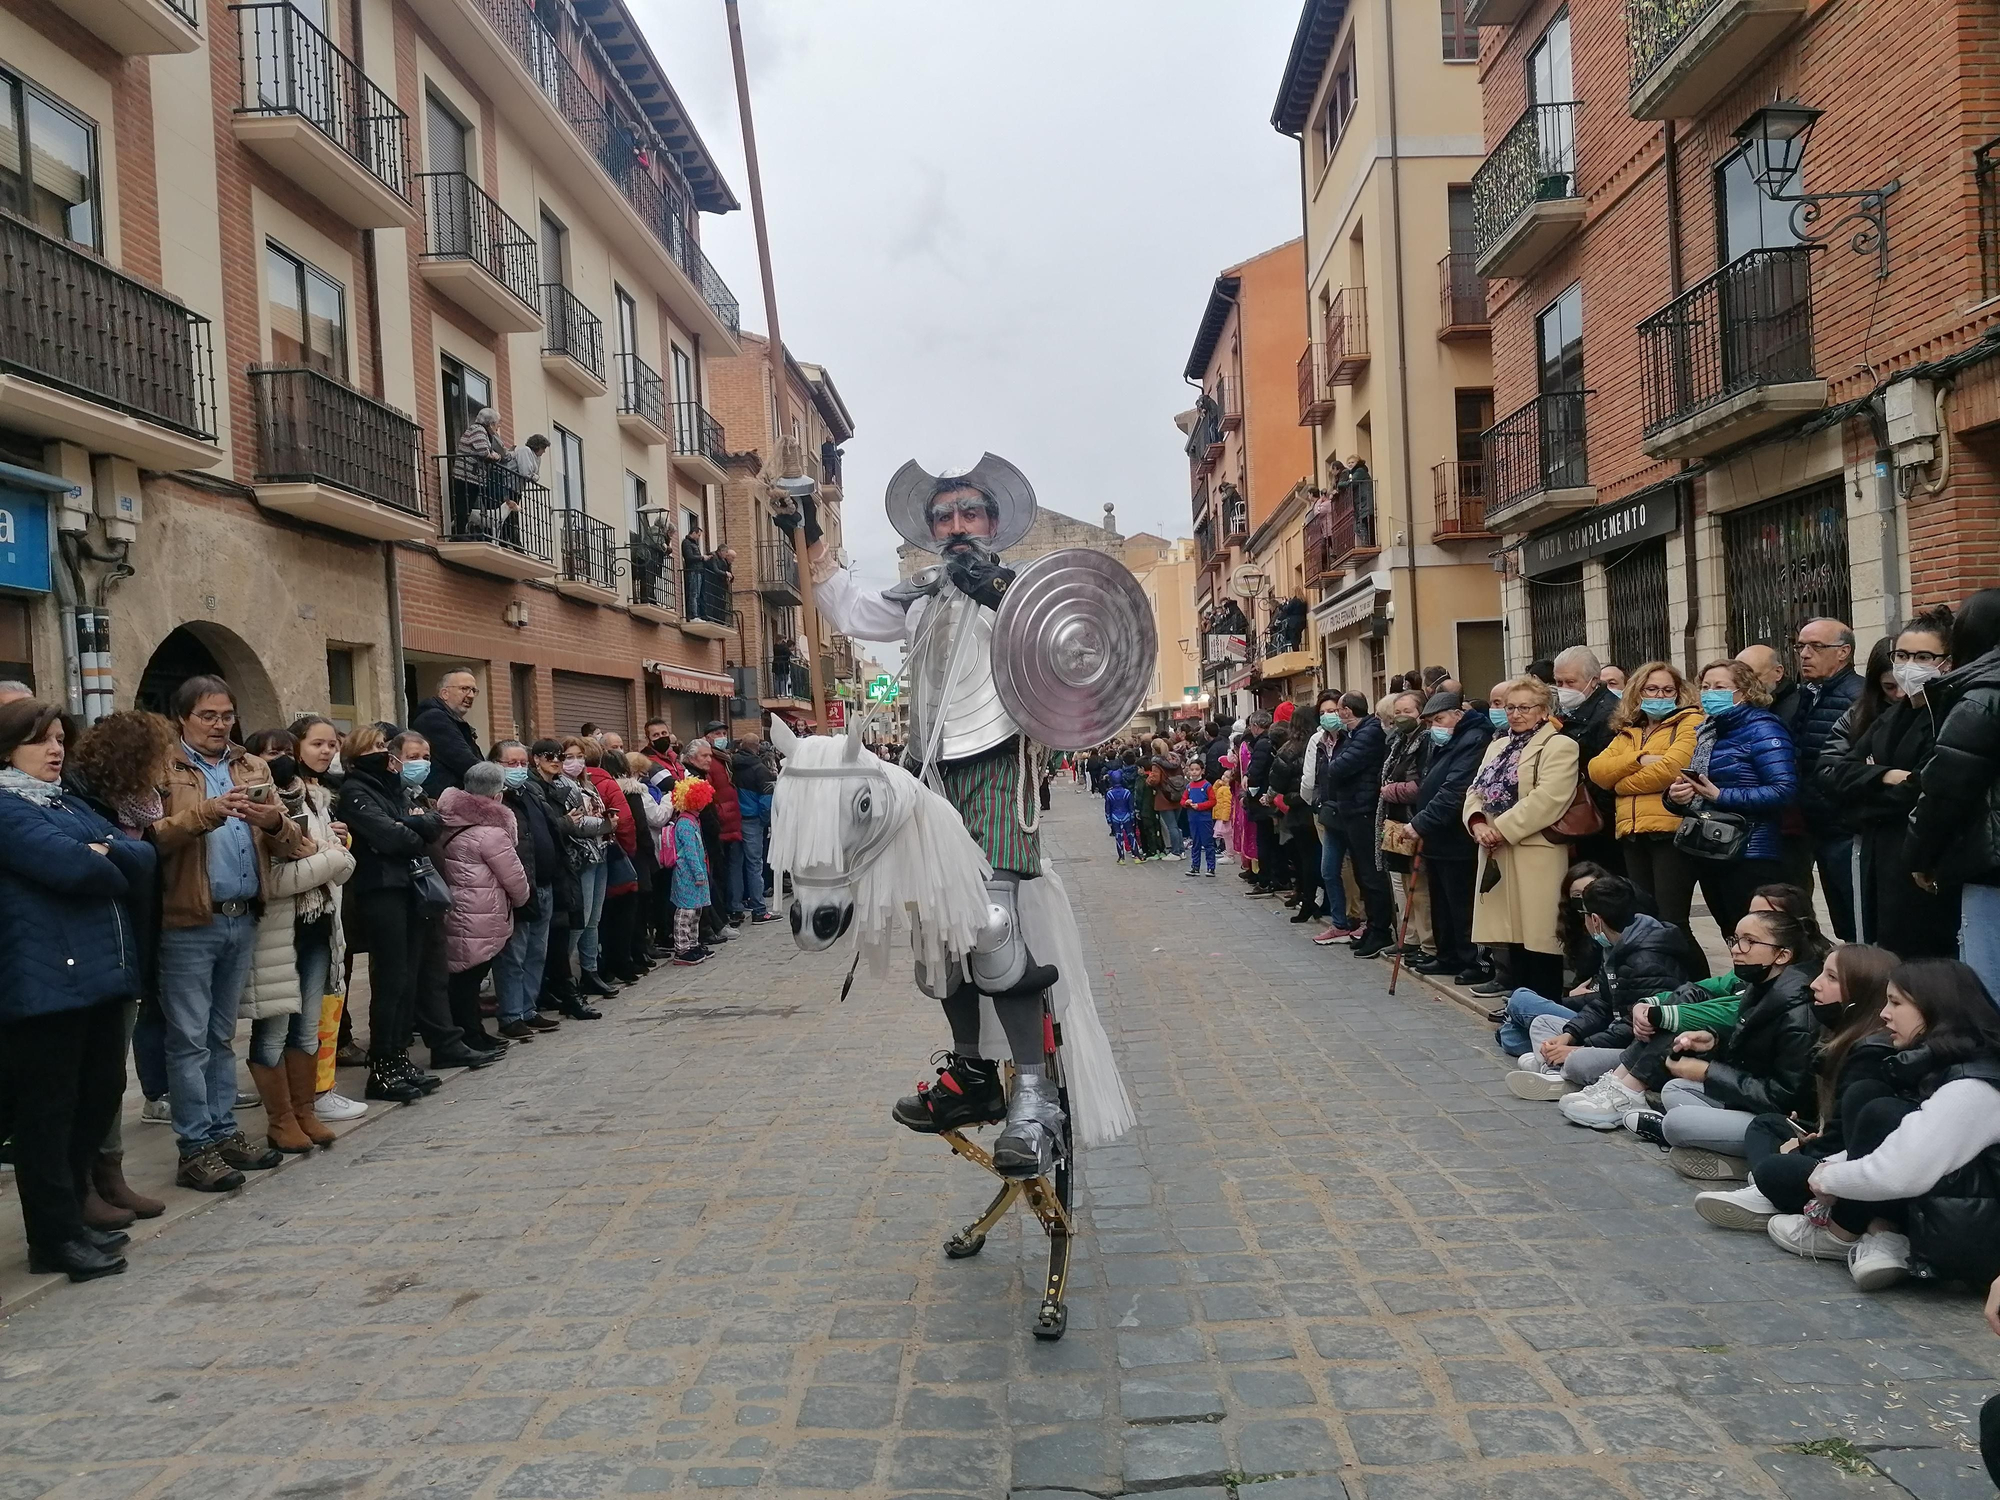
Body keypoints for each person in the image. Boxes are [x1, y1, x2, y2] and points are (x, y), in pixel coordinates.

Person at [0, 699, 155, 1281]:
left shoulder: (64, 801)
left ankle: (73, 1217)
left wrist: (106, 852)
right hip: (42, 984)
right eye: (41, 740)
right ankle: (53, 1239)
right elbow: (72, 868)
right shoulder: (6, 806)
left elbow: (141, 855)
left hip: (96, 977)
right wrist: (105, 856)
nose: (56, 749)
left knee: (98, 1095)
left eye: (61, 738)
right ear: (7, 749)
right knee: (48, 1114)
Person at [151, 675, 310, 1190]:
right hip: (188, 918)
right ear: (182, 718)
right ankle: (194, 1146)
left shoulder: (251, 765)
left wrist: (270, 822)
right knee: (189, 1039)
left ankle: (223, 1134)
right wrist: (205, 813)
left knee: (221, 1035)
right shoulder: (163, 767)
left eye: (227, 715)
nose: (220, 725)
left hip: (242, 916)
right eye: (208, 716)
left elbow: (293, 842)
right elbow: (150, 839)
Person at [1765, 958, 2000, 1292]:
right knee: (1779, 1171)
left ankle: (1846, 1232)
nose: (1885, 1013)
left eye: (1896, 1003)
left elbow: (1899, 1173)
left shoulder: (1973, 1086)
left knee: (1878, 1115)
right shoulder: (1948, 1060)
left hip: (1978, 1236)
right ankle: (1878, 1228)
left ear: (1934, 1008)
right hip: (1952, 1201)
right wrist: (1830, 1168)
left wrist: (1827, 1178)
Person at [1694, 942, 1898, 1232]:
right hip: (1819, 1142)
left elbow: (1851, 1143)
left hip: (1846, 1173)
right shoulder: (1838, 1034)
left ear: (1861, 991)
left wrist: (1803, 1151)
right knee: (1767, 1127)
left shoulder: (1867, 1055)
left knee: (1773, 1165)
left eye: (1831, 978)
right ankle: (1763, 1182)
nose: (1814, 984)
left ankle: (1767, 1188)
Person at [62, 709, 173, 1224]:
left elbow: (138, 865)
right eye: (158, 756)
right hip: (93, 948)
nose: (166, 766)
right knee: (83, 1077)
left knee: (109, 1073)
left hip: (134, 939)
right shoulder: (83, 803)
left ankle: (111, 1174)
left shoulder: (139, 807)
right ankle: (82, 1182)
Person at [1629, 905, 1822, 1177]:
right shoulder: (1762, 988)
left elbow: (1786, 1099)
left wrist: (1709, 1072)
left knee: (1676, 1122)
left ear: (1782, 955)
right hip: (1749, 1104)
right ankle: (1728, 1154)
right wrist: (1714, 1041)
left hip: (1782, 1122)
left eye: (1749, 942)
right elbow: (1756, 1051)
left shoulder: (1798, 1014)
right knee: (1675, 1089)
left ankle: (1758, 1160)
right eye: (1735, 939)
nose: (1736, 949)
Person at [238, 727, 352, 1156]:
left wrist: (327, 854)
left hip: (319, 928)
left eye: (286, 751)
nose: (281, 760)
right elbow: (273, 881)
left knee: (306, 1032)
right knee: (272, 1032)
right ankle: (280, 1119)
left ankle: (305, 1110)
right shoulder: (249, 807)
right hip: (275, 936)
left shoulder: (315, 801)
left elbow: (344, 865)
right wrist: (330, 856)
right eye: (271, 753)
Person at [1824, 607, 1960, 956]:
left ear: (1947, 661)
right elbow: (1840, 774)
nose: (1909, 665)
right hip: (1879, 860)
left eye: (1923, 656)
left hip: (1923, 865)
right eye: (1902, 655)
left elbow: (1923, 788)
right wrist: (1884, 774)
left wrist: (1868, 787)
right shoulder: (1894, 714)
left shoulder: (1948, 715)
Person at [335, 725, 446, 1105]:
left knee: (406, 978)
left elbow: (430, 824)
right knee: (390, 978)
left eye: (386, 746)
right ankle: (382, 1066)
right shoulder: (354, 791)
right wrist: (408, 826)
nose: (385, 753)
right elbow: (391, 836)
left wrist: (409, 824)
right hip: (379, 889)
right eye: (376, 747)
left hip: (409, 885)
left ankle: (398, 1058)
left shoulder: (392, 786)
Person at [1505, 876, 1693, 1098]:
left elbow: (1635, 1027)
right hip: (1611, 1036)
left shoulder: (1646, 961)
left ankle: (1559, 1073)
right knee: (1541, 1023)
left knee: (1578, 1061)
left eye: (1584, 915)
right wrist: (1570, 1035)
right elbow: (1603, 1003)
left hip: (1637, 1049)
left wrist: (1584, 1048)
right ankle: (1555, 1072)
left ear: (1595, 920)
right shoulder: (1616, 945)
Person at [1662, 659, 1797, 943]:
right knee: (1732, 934)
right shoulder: (1709, 730)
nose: (1710, 693)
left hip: (1751, 852)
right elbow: (1702, 785)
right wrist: (1676, 798)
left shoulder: (1764, 729)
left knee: (1756, 936)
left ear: (1744, 692)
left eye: (1720, 687)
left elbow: (1784, 789)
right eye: (1706, 687)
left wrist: (1721, 796)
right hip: (1713, 848)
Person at [1908, 587, 2000, 997]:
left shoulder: (1981, 697)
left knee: (1988, 988)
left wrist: (1921, 856)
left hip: (1990, 867)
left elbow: (1945, 788)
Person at [1464, 675, 1579, 1001]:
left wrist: (1500, 829)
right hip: (1495, 850)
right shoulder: (1497, 745)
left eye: (1524, 707)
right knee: (1511, 936)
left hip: (1534, 851)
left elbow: (1550, 798)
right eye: (1509, 707)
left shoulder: (1560, 745)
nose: (1515, 714)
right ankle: (1519, 1003)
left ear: (1543, 710)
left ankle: (1544, 1006)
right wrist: (1477, 824)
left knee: (1540, 937)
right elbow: (1476, 790)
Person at [288, 715, 370, 1122]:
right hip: (297, 913)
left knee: (328, 999)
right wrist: (333, 850)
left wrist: (338, 843)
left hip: (330, 907)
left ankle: (321, 1089)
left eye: (330, 745)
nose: (325, 751)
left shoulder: (325, 792)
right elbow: (301, 850)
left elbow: (337, 855)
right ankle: (307, 1095)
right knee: (297, 1011)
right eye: (316, 744)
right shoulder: (289, 793)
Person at [1588, 661, 1703, 931]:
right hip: (1632, 833)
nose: (1659, 696)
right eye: (1651, 689)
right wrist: (1640, 758)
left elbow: (1672, 769)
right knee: (1644, 919)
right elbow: (1597, 770)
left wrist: (1619, 786)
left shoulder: (1690, 722)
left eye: (1667, 690)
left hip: (1670, 833)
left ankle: (1692, 975)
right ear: (1638, 693)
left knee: (1672, 923)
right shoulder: (1631, 731)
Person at [1770, 618, 1863, 939]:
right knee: (1842, 919)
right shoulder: (1809, 694)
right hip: (1818, 826)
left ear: (1844, 652)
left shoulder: (1857, 697)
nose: (1805, 654)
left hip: (1846, 828)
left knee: (1858, 919)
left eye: (1816, 647)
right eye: (1800, 647)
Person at [436, 760, 530, 1055]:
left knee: (462, 977)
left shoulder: (446, 820)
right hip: (481, 911)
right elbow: (514, 877)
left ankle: (471, 1032)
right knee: (470, 978)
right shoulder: (492, 832)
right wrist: (522, 899)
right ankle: (470, 1035)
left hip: (454, 908)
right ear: (498, 795)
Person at [1410, 691, 1492, 982]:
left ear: (1458, 714)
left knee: (1463, 904)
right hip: (1437, 836)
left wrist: (1421, 822)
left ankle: (1474, 961)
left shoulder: (1474, 738)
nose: (1436, 727)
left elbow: (1455, 789)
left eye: (1440, 719)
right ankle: (1448, 955)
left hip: (1457, 836)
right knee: (1441, 901)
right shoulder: (1444, 740)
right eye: (1431, 721)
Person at [1323, 693, 1393, 956]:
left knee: (1371, 873)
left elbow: (1338, 767)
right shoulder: (1355, 735)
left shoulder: (1369, 733)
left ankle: (1379, 929)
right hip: (1352, 809)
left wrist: (1335, 763)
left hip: (1364, 810)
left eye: (1336, 709)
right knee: (1363, 874)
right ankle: (1372, 927)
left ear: (1347, 711)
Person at [1552, 645, 1622, 874]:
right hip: (1580, 817)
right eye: (1558, 682)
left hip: (1598, 825)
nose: (1563, 689)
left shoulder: (1610, 714)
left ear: (1593, 681)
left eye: (1570, 682)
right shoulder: (1570, 711)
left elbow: (1605, 773)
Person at [1375, 690, 1431, 961]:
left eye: (1407, 712)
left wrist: (1390, 790)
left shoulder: (1425, 742)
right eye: (1397, 712)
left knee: (1419, 889)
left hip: (1413, 818)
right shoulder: (1397, 741)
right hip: (1395, 821)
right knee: (1401, 881)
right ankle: (1408, 938)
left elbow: (1421, 785)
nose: (1401, 717)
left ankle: (1426, 943)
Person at [1299, 691, 1357, 942]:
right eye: (1322, 712)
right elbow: (1310, 777)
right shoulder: (1318, 740)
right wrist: (1314, 802)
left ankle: (1357, 917)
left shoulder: (1352, 738)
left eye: (1332, 711)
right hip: (1327, 810)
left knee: (1353, 867)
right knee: (1330, 868)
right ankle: (1340, 921)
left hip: (1350, 810)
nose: (1327, 716)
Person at [700, 721, 747, 925]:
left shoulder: (725, 759)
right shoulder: (710, 761)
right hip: (721, 823)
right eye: (717, 733)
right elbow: (709, 792)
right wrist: (719, 813)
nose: (721, 737)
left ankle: (735, 906)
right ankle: (727, 909)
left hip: (733, 821)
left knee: (734, 866)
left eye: (723, 733)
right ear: (707, 737)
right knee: (721, 869)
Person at [410, 669, 483, 801]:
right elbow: (465, 761)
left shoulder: (453, 721)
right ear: (445, 693)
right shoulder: (434, 718)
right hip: (444, 802)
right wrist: (496, 779)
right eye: (464, 689)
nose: (471, 695)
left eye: (473, 691)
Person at [669, 775, 714, 964]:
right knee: (686, 911)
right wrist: (698, 873)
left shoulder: (692, 820)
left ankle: (693, 943)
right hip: (688, 874)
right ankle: (682, 948)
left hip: (696, 873)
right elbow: (689, 853)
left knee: (696, 910)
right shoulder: (686, 823)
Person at [1105, 758, 1140, 861]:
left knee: (1118, 837)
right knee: (1131, 835)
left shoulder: (1110, 794)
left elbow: (1108, 808)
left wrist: (1109, 820)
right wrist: (1133, 818)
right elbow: (1131, 807)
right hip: (1127, 816)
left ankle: (1121, 857)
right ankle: (1136, 855)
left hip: (1115, 816)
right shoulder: (1127, 792)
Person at [1183, 767, 1216, 876]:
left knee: (1208, 843)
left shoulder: (1207, 785)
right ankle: (1195, 866)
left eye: (1197, 769)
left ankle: (1211, 867)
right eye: (1192, 769)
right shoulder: (1189, 786)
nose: (1194, 772)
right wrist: (1186, 803)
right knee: (1195, 843)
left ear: (1202, 771)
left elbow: (1213, 801)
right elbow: (1182, 800)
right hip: (1192, 818)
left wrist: (1200, 806)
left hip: (1205, 818)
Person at [682, 519, 708, 618]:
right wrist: (702, 557)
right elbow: (689, 557)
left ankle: (696, 614)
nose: (699, 538)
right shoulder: (687, 543)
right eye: (698, 535)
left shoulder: (693, 544)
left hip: (698, 571)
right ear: (693, 533)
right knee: (693, 593)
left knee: (696, 594)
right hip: (693, 571)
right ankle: (693, 615)